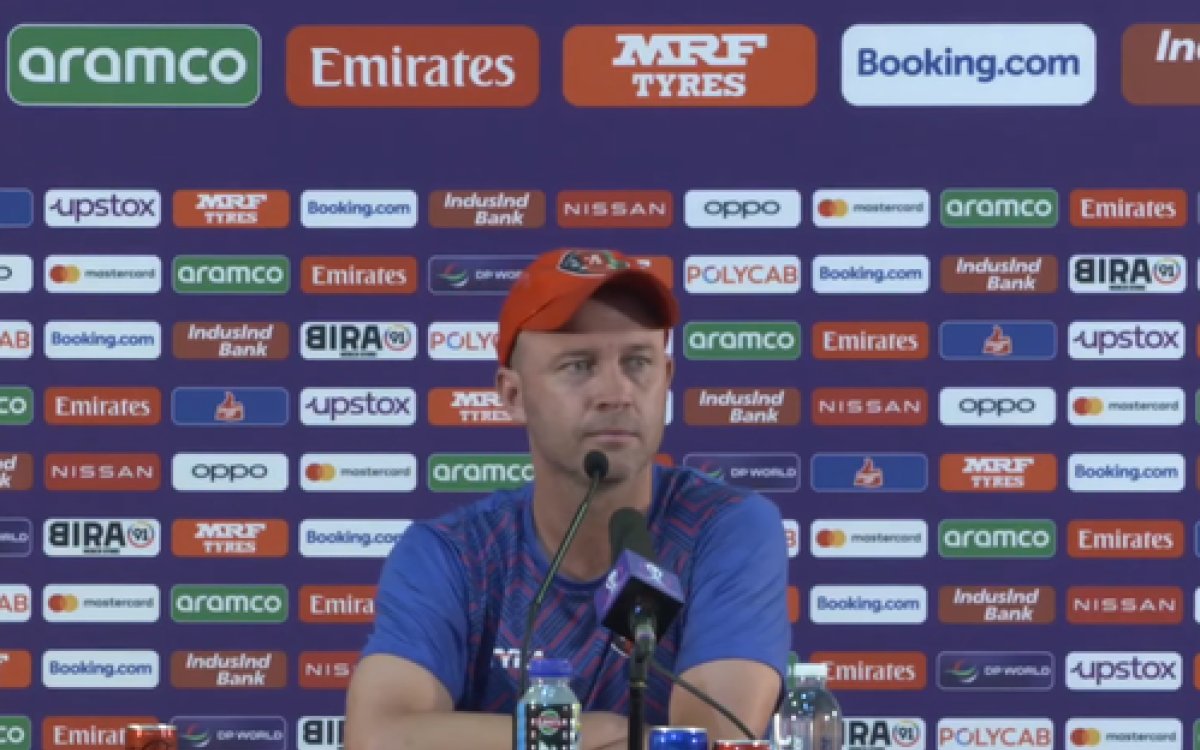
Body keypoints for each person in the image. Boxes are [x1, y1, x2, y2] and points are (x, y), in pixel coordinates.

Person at [346, 248, 790, 750]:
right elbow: (377, 737)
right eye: (579, 366)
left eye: (638, 363)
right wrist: (589, 732)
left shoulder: (724, 528)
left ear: (667, 378)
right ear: (513, 396)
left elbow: (713, 740)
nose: (616, 393)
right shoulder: (451, 555)